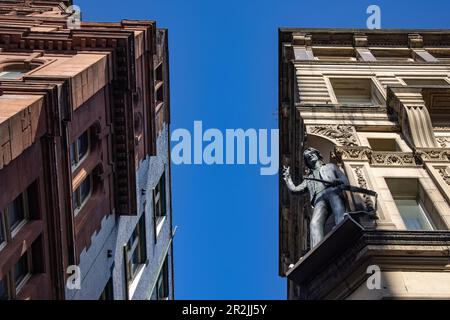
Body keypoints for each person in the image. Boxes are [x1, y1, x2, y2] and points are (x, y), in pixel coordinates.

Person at [282, 147, 349, 248]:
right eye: (307, 157)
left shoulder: (330, 167)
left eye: (312, 154)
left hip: (332, 191)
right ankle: (317, 248)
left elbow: (344, 180)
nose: (310, 156)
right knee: (314, 223)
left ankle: (342, 230)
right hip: (319, 199)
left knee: (338, 210)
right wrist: (287, 178)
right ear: (307, 162)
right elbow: (295, 190)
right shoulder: (309, 178)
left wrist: (337, 181)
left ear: (318, 155)